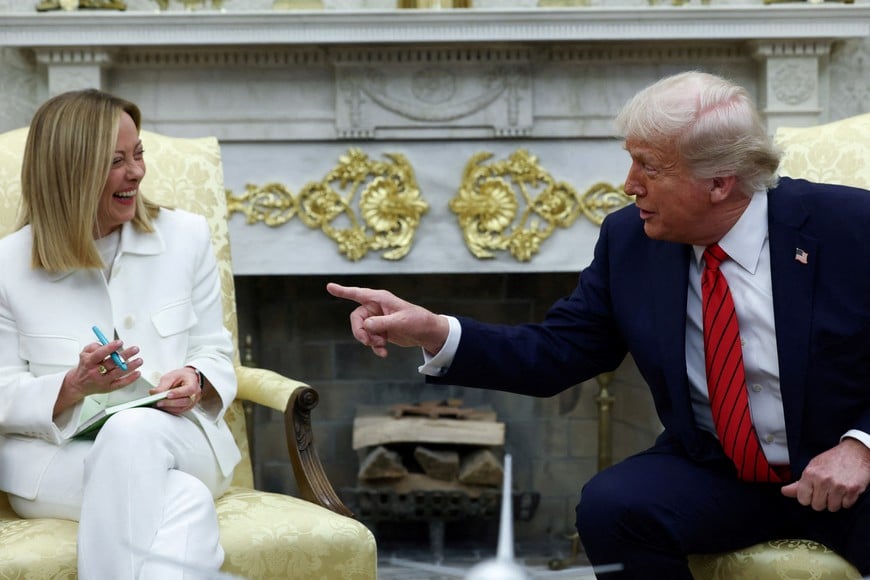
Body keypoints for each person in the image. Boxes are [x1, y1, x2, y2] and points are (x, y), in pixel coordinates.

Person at [327, 71, 870, 578]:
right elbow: (558, 350)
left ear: (720, 183)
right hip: (719, 471)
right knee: (613, 507)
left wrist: (859, 445)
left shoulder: (848, 226)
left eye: (649, 168)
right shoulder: (629, 240)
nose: (629, 185)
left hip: (848, 474)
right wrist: (433, 331)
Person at [0, 89, 240, 579]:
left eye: (138, 154)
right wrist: (74, 386)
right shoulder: (7, 266)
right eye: (115, 161)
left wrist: (195, 377)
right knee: (184, 500)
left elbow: (214, 349)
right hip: (58, 463)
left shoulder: (187, 237)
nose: (136, 172)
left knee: (133, 431)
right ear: (72, 171)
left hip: (180, 438)